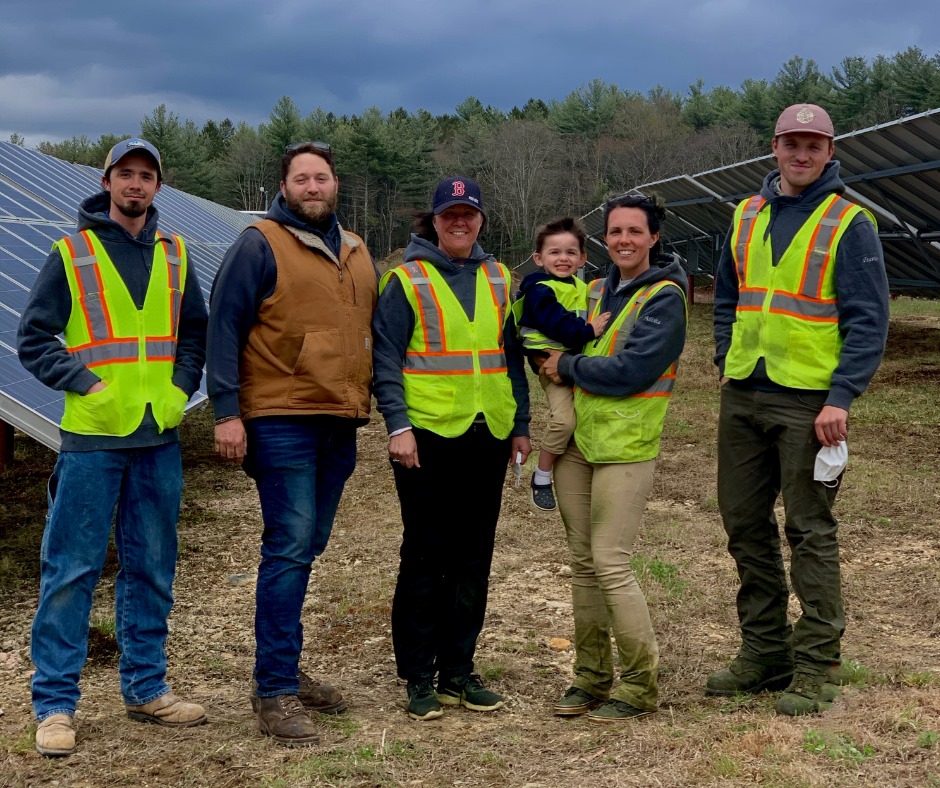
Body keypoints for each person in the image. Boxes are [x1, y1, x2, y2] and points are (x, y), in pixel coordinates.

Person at [17, 138, 209, 757]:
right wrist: (88, 384)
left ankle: (147, 688)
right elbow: (34, 338)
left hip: (159, 436)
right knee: (70, 570)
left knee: (151, 566)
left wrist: (181, 386)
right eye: (125, 173)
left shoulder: (176, 253)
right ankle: (55, 704)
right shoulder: (72, 253)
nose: (135, 184)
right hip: (93, 438)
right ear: (107, 182)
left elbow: (195, 334)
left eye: (146, 176)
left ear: (158, 187)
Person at [707, 103, 890, 716]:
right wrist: (724, 353)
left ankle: (816, 664)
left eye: (814, 145)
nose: (802, 155)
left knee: (809, 530)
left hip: (810, 402)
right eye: (792, 144)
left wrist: (841, 396)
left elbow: (869, 318)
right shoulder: (746, 214)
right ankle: (765, 652)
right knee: (744, 525)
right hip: (744, 391)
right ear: (775, 147)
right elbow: (728, 295)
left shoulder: (849, 222)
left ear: (830, 152)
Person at [207, 141, 377, 746]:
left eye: (321, 177)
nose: (312, 187)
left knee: (306, 545)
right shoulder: (259, 244)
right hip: (280, 417)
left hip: (339, 418)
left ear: (335, 185)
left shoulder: (356, 249)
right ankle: (273, 686)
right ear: (283, 187)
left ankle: (284, 666)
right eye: (301, 178)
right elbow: (223, 326)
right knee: (288, 546)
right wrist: (227, 412)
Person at [372, 176, 532, 721]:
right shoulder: (406, 280)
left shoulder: (501, 277)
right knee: (426, 555)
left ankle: (458, 671)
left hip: (488, 433)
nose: (459, 222)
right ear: (434, 221)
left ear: (481, 219)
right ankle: (419, 674)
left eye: (468, 214)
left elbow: (511, 357)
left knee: (473, 556)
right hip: (427, 436)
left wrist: (521, 423)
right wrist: (397, 425)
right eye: (449, 215)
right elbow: (385, 358)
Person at [540, 193, 687, 723]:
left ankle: (640, 685)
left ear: (654, 238)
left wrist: (567, 366)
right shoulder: (596, 289)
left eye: (634, 231)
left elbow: (632, 371)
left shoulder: (666, 297)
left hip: (626, 445)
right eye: (616, 231)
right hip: (578, 445)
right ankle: (591, 677)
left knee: (610, 561)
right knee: (583, 563)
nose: (624, 240)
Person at [513, 217, 610, 512]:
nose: (563, 258)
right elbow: (558, 324)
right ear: (538, 258)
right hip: (550, 366)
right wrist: (588, 330)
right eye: (554, 252)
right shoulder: (540, 289)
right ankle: (542, 476)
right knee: (564, 421)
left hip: (577, 364)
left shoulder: (583, 288)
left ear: (582, 258)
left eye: (571, 252)